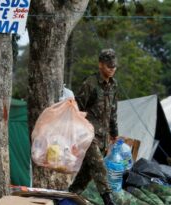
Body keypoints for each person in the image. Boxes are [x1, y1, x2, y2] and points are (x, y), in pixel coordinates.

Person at [68, 48, 118, 205]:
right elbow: (77, 109)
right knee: (99, 167)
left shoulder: (114, 85)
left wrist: (114, 133)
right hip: (89, 135)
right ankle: (108, 200)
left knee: (86, 174)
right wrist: (77, 133)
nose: (112, 70)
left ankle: (67, 197)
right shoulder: (90, 84)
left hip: (103, 137)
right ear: (100, 65)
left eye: (114, 67)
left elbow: (113, 110)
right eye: (109, 66)